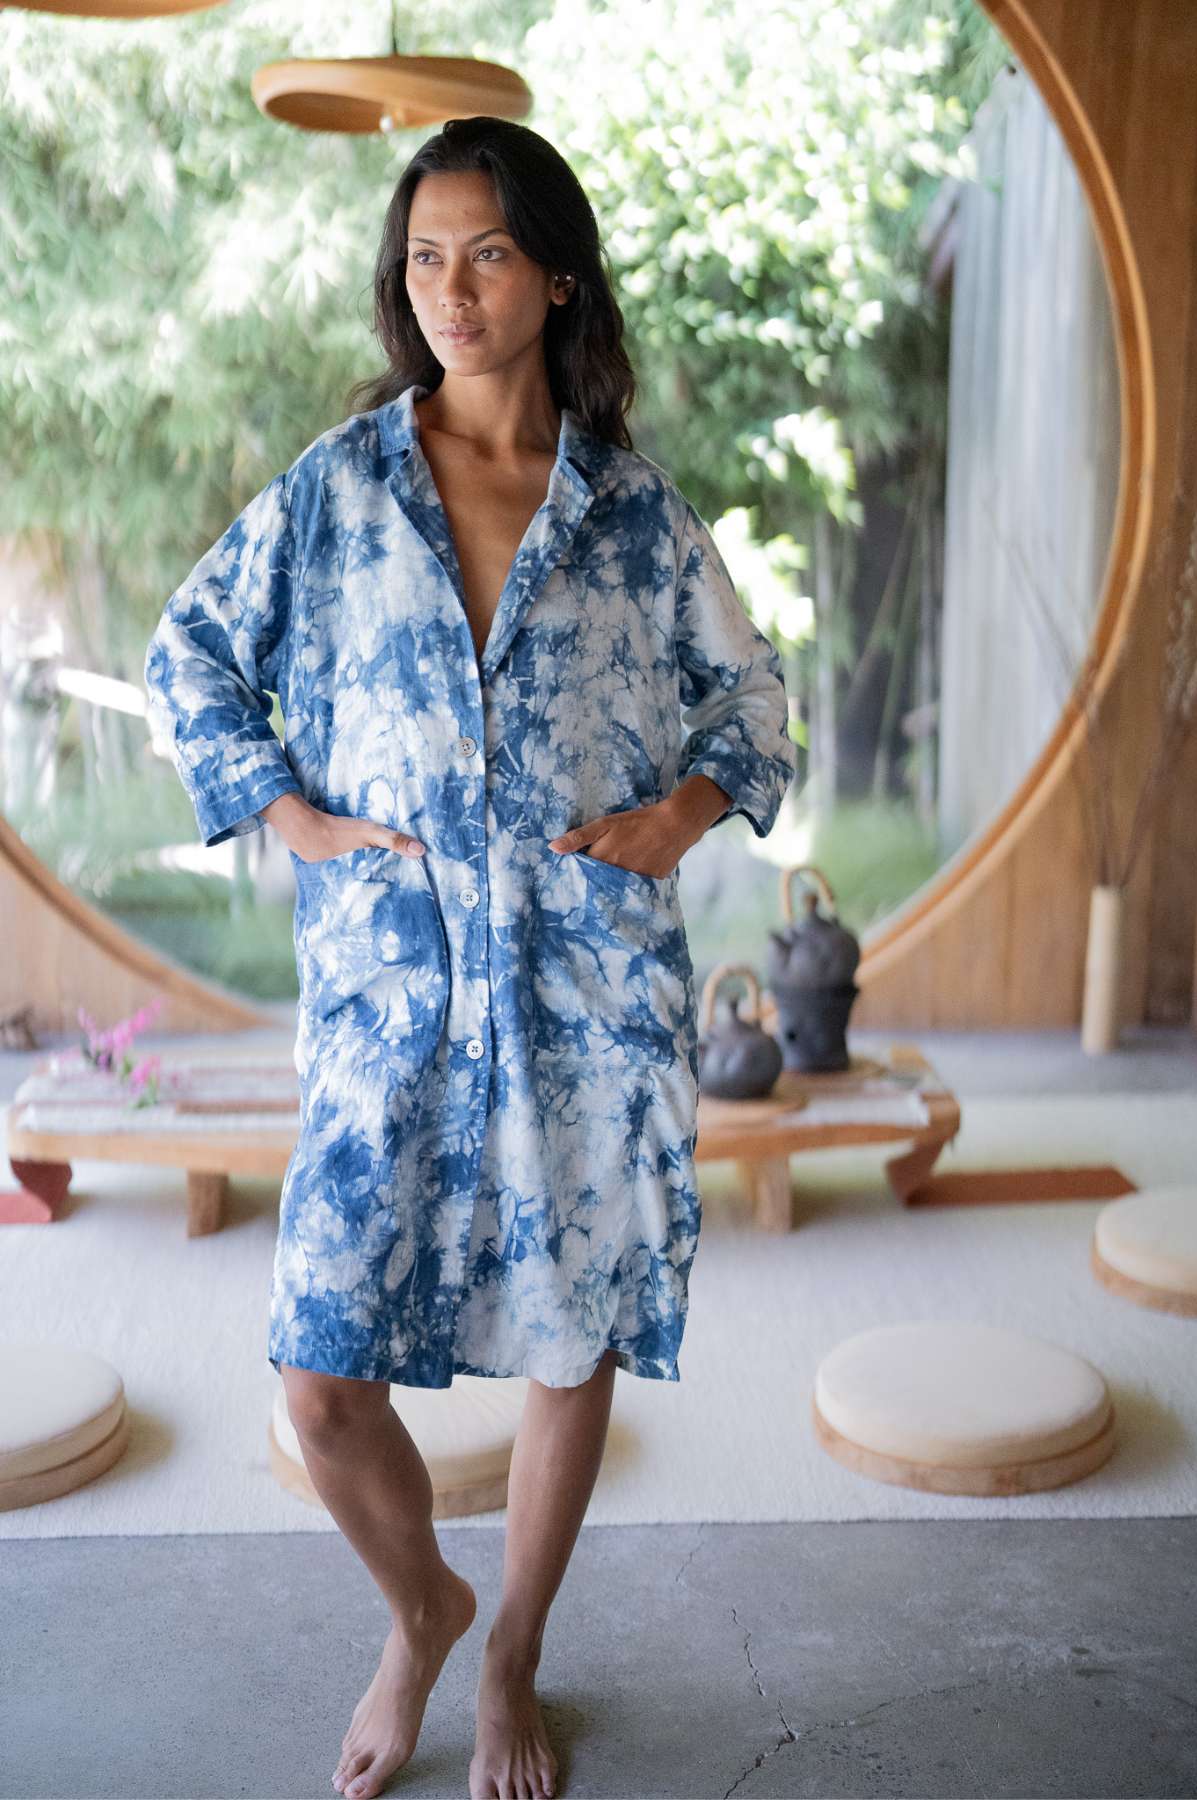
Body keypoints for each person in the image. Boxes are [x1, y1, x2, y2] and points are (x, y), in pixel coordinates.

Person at [143, 115, 792, 1800]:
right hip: (390, 993)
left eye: (486, 253)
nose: (451, 289)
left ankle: (510, 1654)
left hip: (587, 1000)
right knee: (320, 1374)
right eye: (425, 257)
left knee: (573, 1336)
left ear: (553, 272)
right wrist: (285, 815)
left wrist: (676, 817)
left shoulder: (635, 512)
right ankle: (421, 1606)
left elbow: (757, 708)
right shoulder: (342, 490)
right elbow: (192, 654)